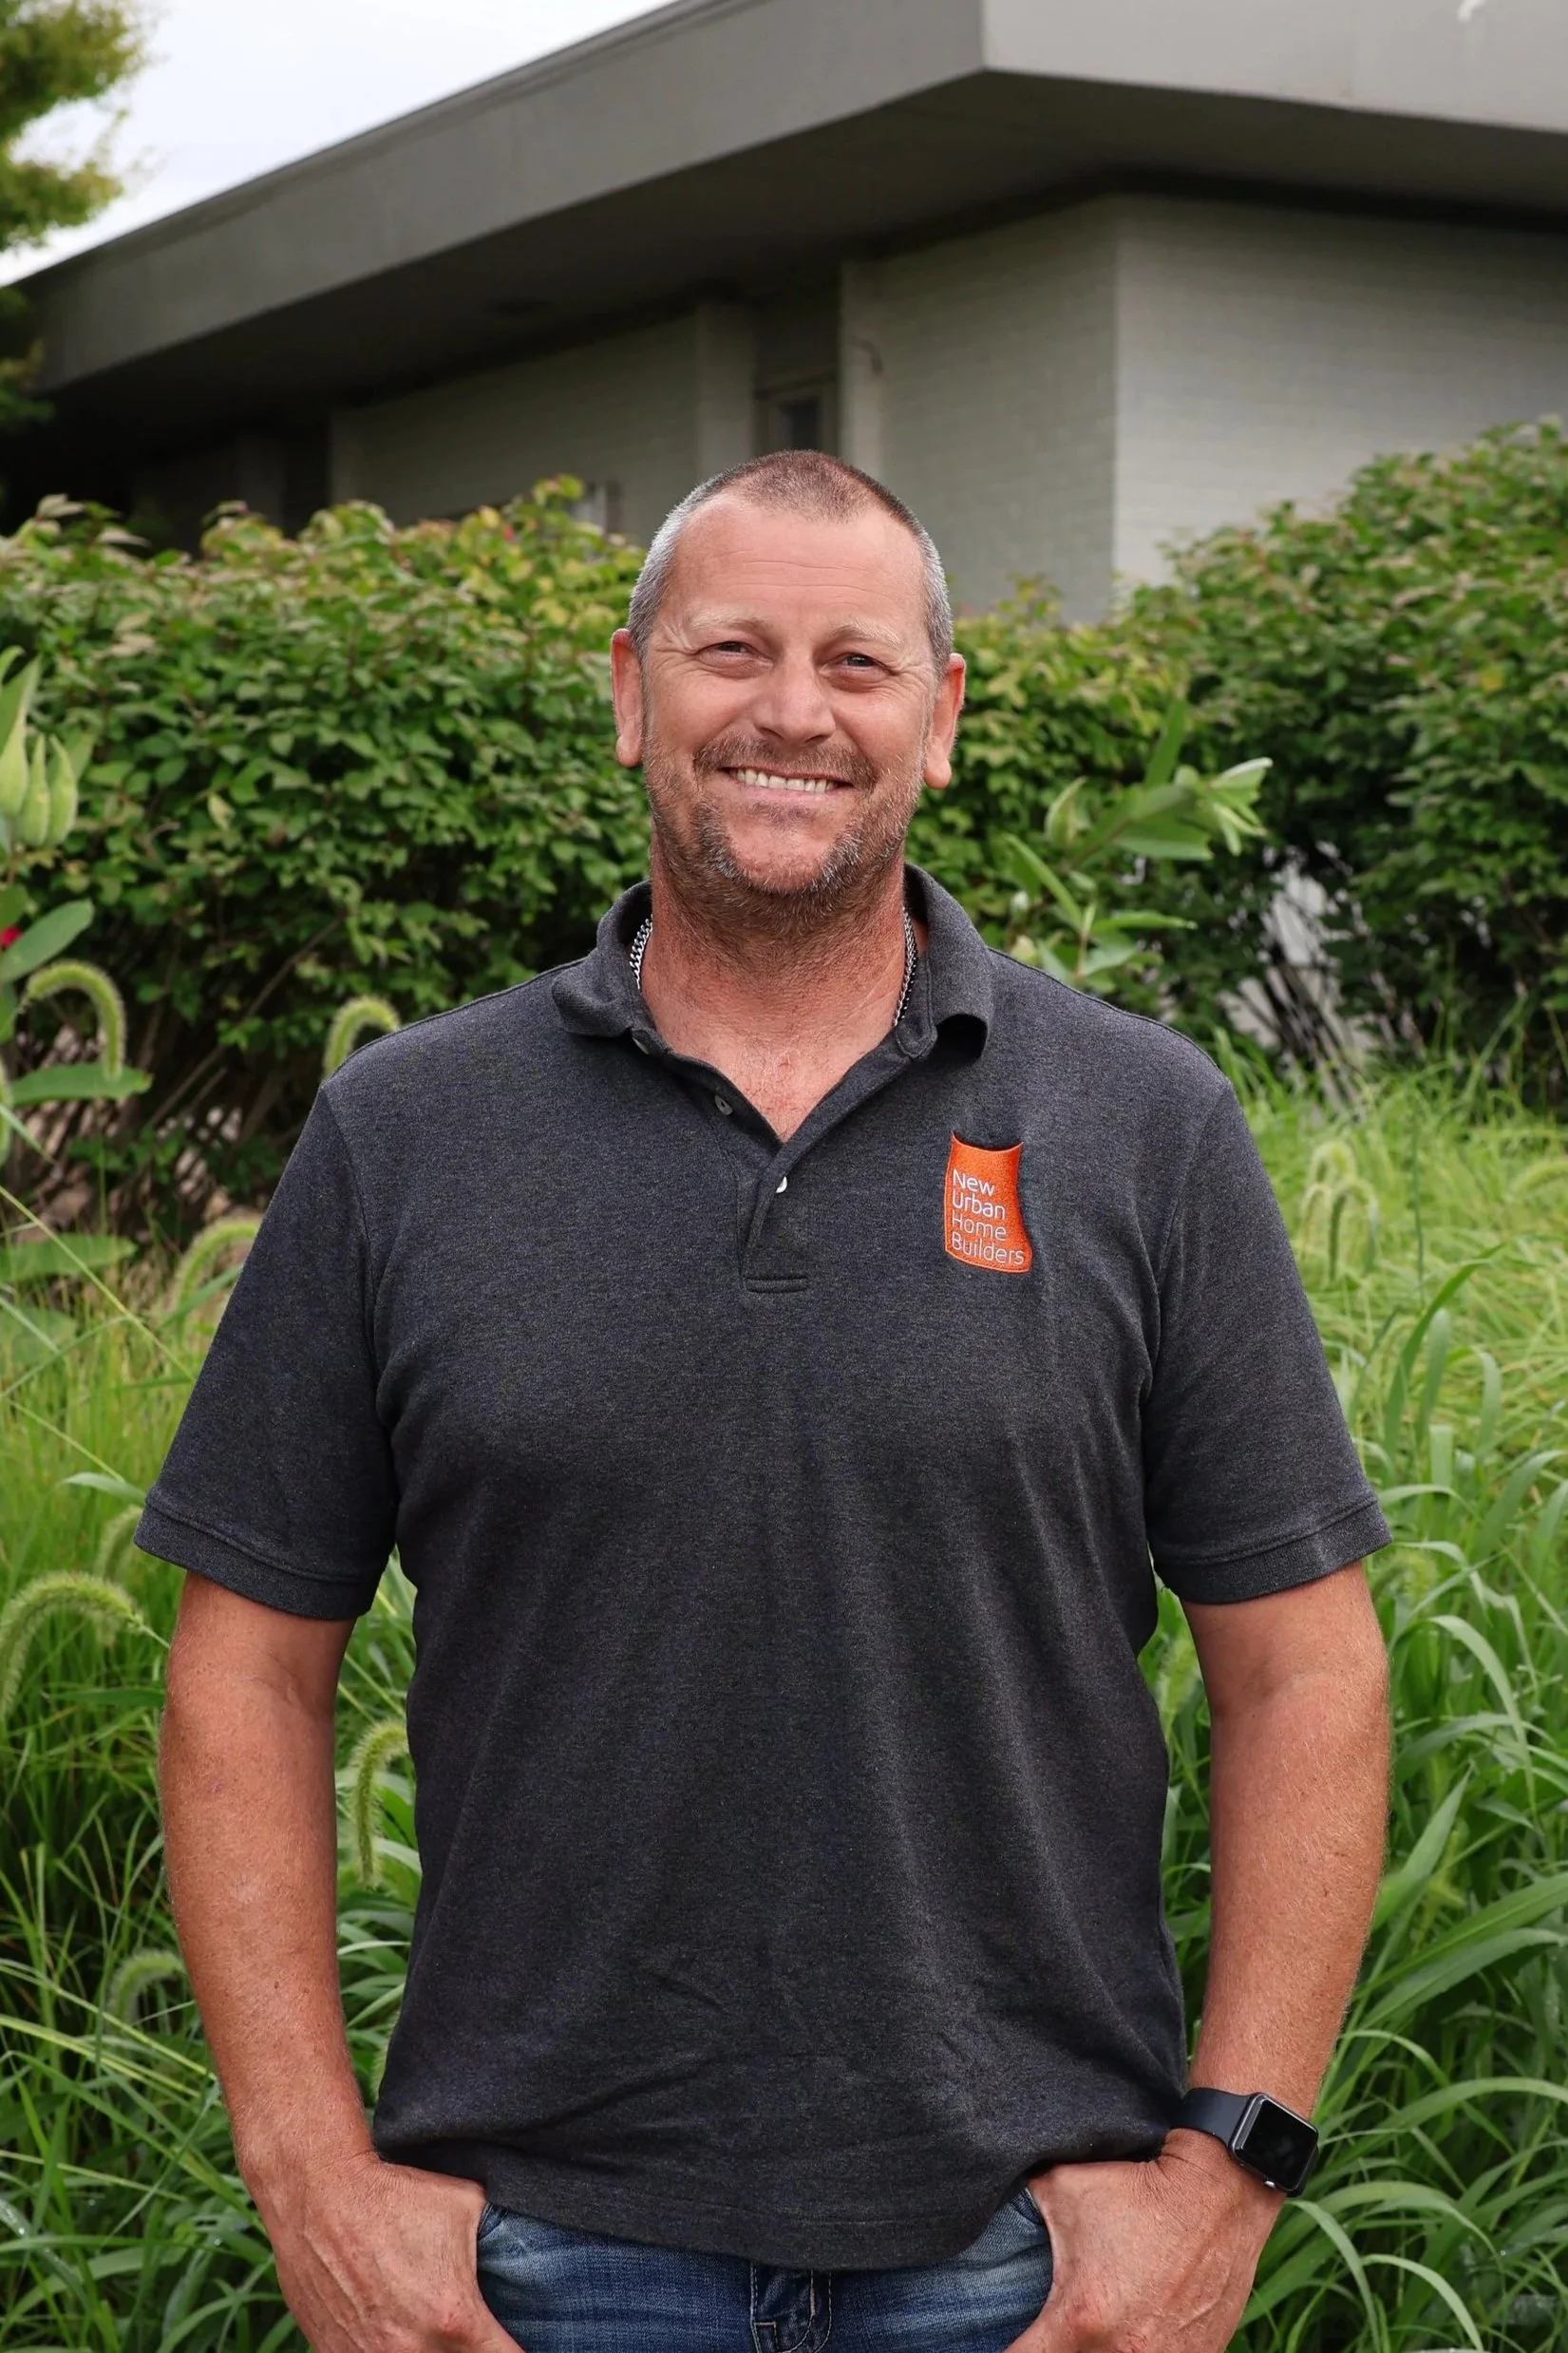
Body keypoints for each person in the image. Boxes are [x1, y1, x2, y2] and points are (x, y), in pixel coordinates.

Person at [145, 450, 1392, 2353]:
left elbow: (1306, 1671)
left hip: (1027, 2262)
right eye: (731, 650)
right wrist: (310, 2175)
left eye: (855, 662)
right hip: (531, 2264)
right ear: (629, 690)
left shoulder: (1144, 1126)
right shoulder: (407, 1134)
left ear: (938, 719)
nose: (793, 711)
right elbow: (243, 1671)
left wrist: (1228, 2171)